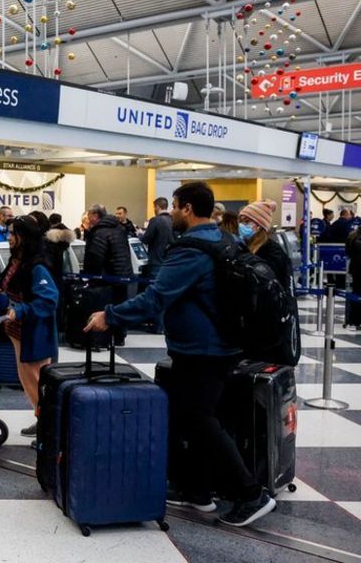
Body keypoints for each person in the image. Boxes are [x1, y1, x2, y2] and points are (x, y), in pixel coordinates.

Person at [84, 181, 277, 528]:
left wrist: (109, 316)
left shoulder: (191, 250)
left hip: (202, 350)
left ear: (187, 208)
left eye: (174, 206)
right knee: (189, 418)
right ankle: (196, 489)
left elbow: (155, 299)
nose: (171, 212)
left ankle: (251, 494)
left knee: (200, 419)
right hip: (224, 344)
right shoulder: (224, 239)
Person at [1, 216, 60, 437]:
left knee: (37, 383)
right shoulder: (17, 261)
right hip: (19, 334)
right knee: (29, 383)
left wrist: (21, 310)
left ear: (23, 237)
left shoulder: (37, 267)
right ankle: (42, 419)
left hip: (34, 335)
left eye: (12, 233)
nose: (8, 237)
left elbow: (48, 300)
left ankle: (50, 429)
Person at [82, 204, 134, 346]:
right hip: (122, 273)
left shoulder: (99, 232)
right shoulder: (119, 228)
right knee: (121, 305)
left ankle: (102, 338)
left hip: (106, 277)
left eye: (89, 215)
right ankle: (120, 336)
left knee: (104, 307)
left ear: (95, 215)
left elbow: (96, 257)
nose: (88, 218)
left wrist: (90, 275)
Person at [239, 200, 292, 292]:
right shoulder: (244, 246)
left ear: (259, 226)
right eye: (240, 221)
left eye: (247, 222)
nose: (241, 225)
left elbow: (269, 283)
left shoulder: (272, 251)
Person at [141, 198, 175, 280]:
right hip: (169, 261)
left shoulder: (155, 220)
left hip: (156, 262)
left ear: (157, 207)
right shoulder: (173, 220)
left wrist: (140, 234)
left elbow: (146, 239)